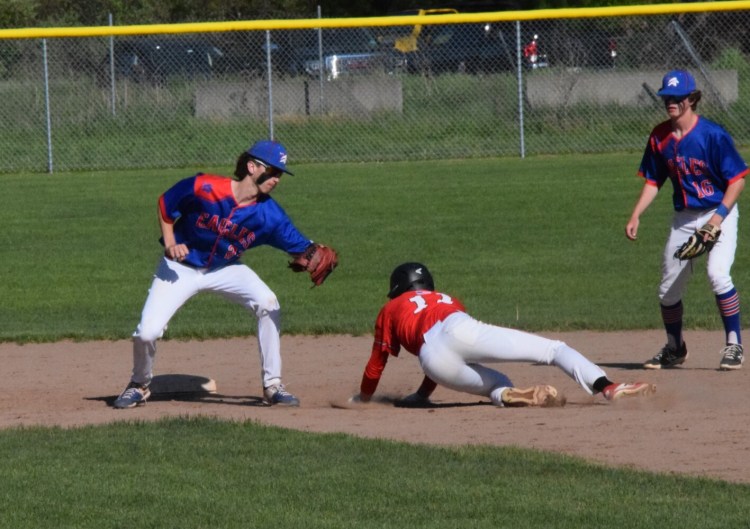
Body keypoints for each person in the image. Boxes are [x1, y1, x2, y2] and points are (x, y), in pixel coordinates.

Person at [113, 140, 337, 409]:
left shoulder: (270, 215)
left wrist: (314, 251)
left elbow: (302, 246)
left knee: (268, 302)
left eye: (280, 174)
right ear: (252, 167)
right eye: (273, 171)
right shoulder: (205, 187)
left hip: (225, 268)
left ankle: (273, 385)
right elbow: (166, 203)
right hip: (179, 269)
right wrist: (171, 243)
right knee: (147, 332)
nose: (277, 179)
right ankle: (139, 384)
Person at [352, 262, 655, 408]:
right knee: (553, 350)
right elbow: (447, 335)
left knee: (497, 386)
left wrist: (365, 398)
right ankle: (607, 386)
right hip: (459, 327)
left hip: (432, 360)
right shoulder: (446, 299)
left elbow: (375, 365)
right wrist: (421, 395)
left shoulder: (391, 308)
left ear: (397, 290)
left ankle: (509, 394)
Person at [625, 69, 748, 371]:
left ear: (692, 99)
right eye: (667, 96)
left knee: (718, 274)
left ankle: (734, 344)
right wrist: (636, 214)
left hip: (719, 211)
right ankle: (675, 348)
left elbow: (737, 180)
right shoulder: (659, 137)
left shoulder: (712, 136)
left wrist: (716, 220)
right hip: (684, 218)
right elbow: (654, 180)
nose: (671, 102)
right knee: (667, 292)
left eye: (677, 97)